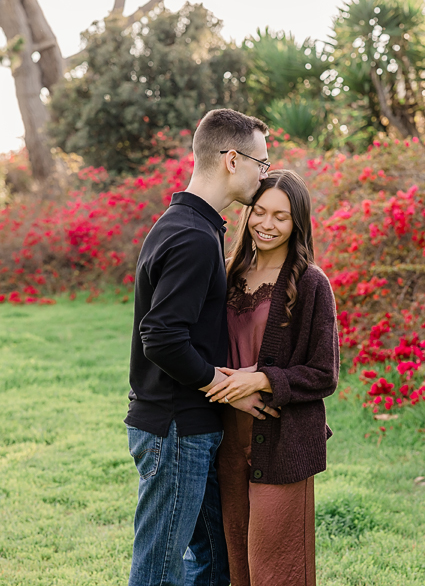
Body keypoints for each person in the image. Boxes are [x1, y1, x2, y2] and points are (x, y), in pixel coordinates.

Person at [125, 108, 280, 586]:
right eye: (262, 162)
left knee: (218, 562)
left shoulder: (196, 226)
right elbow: (162, 336)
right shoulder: (192, 236)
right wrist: (226, 386)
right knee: (159, 572)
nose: (265, 173)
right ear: (232, 159)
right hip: (174, 429)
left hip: (189, 428)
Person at [205, 169, 340, 586]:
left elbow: (324, 374)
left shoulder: (311, 283)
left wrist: (262, 380)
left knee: (278, 569)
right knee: (238, 564)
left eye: (280, 217)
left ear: (297, 223)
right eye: (260, 212)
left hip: (282, 441)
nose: (267, 224)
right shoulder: (226, 273)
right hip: (226, 438)